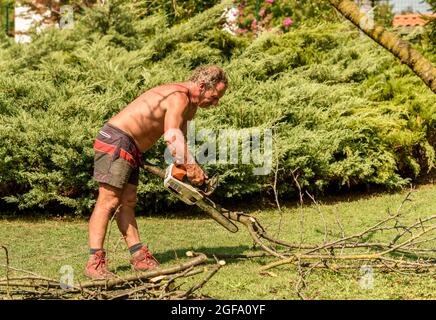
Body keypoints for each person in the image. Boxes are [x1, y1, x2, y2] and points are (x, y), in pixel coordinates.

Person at [85, 65, 228, 279]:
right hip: (117, 139)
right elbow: (171, 137)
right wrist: (190, 167)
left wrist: (191, 168)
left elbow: (181, 141)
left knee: (128, 202)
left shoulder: (191, 106)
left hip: (131, 147)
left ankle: (139, 257)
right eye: (215, 96)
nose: (216, 103)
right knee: (109, 201)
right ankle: (94, 263)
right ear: (201, 86)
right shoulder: (178, 97)